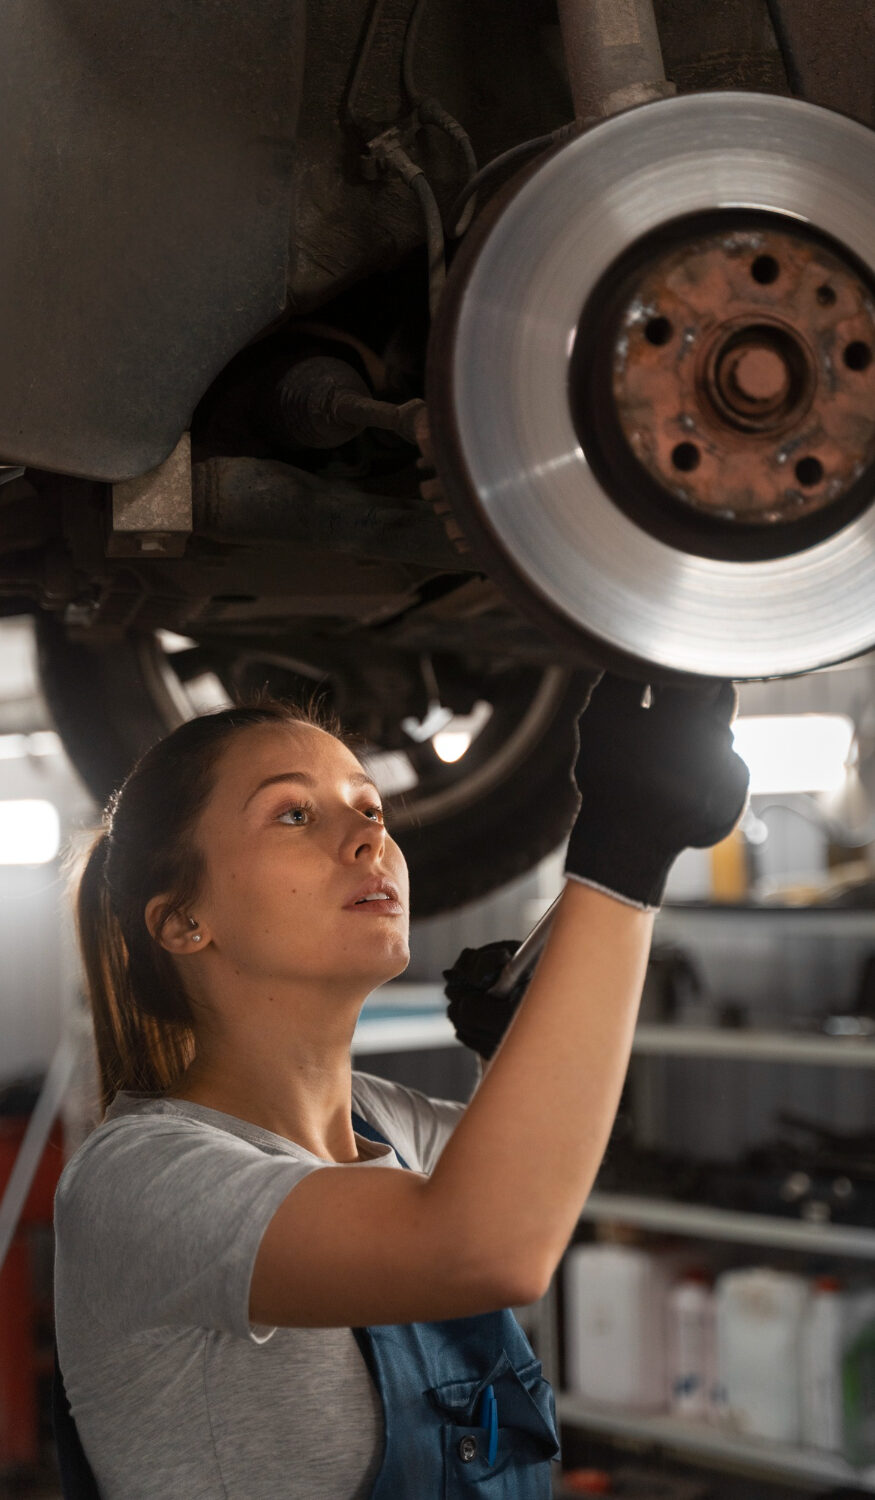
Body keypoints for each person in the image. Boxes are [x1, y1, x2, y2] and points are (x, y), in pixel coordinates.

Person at [52, 674, 749, 1499]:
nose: (365, 839)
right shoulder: (137, 1181)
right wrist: (622, 855)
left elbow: (547, 1185)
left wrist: (517, 1047)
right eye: (294, 814)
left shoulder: (379, 1120)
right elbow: (488, 1247)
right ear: (182, 921)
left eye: (371, 809)